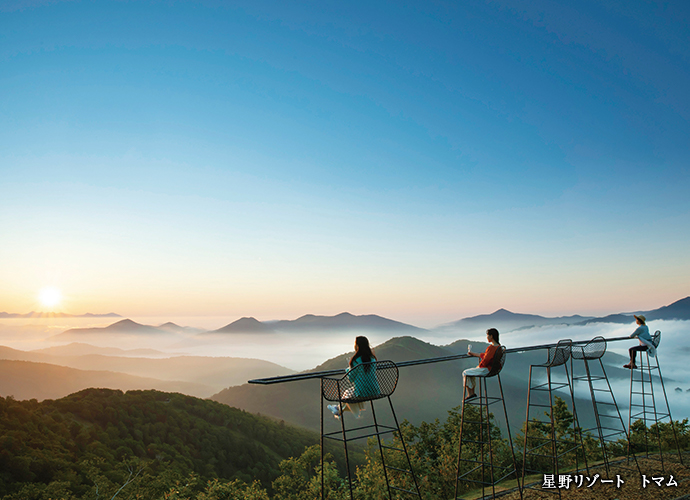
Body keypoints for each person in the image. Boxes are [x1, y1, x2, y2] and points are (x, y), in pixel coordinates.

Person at [328, 336, 379, 419]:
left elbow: (351, 379)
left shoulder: (355, 360)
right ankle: (338, 410)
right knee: (350, 392)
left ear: (357, 346)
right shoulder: (372, 358)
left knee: (349, 393)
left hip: (362, 392)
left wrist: (349, 369)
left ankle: (338, 409)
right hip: (374, 390)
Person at [463, 328, 500, 402]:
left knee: (465, 372)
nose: (487, 337)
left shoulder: (491, 348)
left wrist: (480, 365)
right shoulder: (498, 347)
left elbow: (486, 360)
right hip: (494, 369)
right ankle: (471, 393)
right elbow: (486, 356)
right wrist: (473, 353)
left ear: (491, 336)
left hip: (486, 370)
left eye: (487, 335)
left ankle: (470, 393)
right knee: (471, 372)